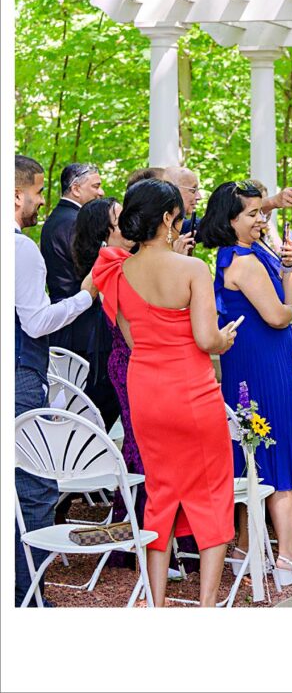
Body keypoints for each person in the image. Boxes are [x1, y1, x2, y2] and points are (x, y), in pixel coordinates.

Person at [91, 179, 238, 606]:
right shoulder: (191, 269)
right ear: (169, 218)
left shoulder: (118, 271)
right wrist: (224, 340)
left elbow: (134, 340)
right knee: (211, 495)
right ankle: (207, 606)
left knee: (160, 495)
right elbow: (206, 339)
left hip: (146, 392)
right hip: (191, 391)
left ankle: (157, 604)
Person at [196, 181, 292, 585]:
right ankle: (288, 557)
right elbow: (280, 315)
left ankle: (247, 549)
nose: (261, 219)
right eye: (252, 214)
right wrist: (287, 283)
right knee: (278, 454)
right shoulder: (245, 261)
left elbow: (290, 302)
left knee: (254, 457)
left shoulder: (244, 254)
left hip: (252, 363)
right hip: (262, 367)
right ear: (230, 220)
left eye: (260, 212)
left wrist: (288, 269)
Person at [13, 155, 98, 606]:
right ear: (15, 196)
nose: (42, 201)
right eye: (38, 192)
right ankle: (28, 600)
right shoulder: (19, 247)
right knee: (36, 486)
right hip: (19, 375)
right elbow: (38, 322)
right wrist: (87, 295)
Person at [71, 197, 145, 567]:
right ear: (106, 232)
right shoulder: (114, 263)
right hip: (128, 361)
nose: (129, 225)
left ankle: (132, 529)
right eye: (120, 221)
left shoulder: (125, 261)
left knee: (137, 445)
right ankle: (130, 533)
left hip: (129, 360)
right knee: (135, 447)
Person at [39, 163, 120, 430]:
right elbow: (87, 271)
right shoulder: (74, 223)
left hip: (69, 323)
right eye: (95, 186)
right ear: (75, 188)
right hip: (86, 328)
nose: (101, 192)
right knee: (94, 405)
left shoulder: (55, 219)